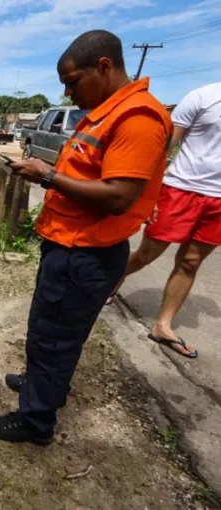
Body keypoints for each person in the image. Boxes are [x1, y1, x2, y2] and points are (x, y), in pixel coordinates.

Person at [0, 30, 174, 444]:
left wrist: (47, 175)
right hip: (69, 245)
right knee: (49, 330)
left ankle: (35, 421)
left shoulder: (137, 118)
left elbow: (120, 196)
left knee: (53, 337)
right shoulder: (107, 111)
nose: (69, 93)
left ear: (104, 67)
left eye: (73, 82)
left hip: (84, 252)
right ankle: (43, 386)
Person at [107, 83, 221, 359]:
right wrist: (147, 194)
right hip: (180, 188)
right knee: (147, 254)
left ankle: (163, 325)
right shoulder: (204, 96)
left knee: (191, 262)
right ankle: (114, 279)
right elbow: (163, 147)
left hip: (218, 200)